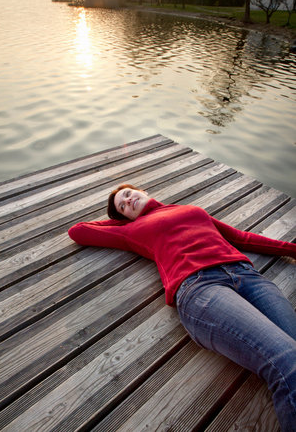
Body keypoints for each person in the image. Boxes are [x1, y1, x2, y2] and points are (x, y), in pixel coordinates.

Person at [68, 183, 296, 431]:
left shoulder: (190, 209)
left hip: (247, 275)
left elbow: (241, 238)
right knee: (289, 363)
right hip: (200, 288)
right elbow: (78, 231)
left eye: (127, 194)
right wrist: (121, 222)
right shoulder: (131, 229)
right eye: (122, 207)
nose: (127, 202)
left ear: (142, 190)